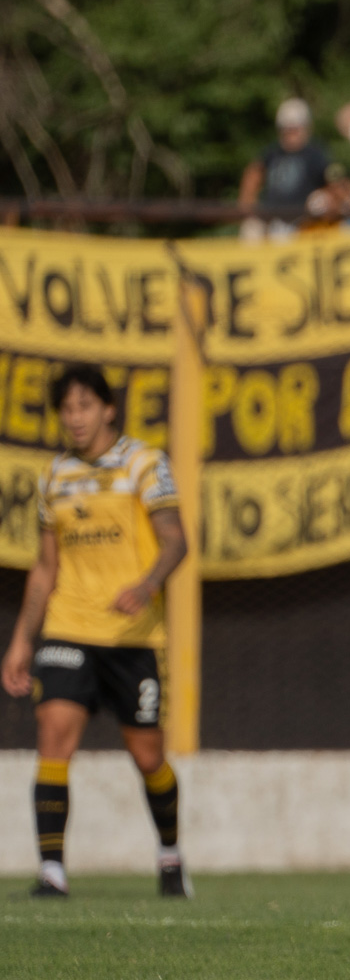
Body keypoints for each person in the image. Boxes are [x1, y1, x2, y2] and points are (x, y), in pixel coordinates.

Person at [2, 365, 191, 899]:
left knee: (147, 755)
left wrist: (148, 582)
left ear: (108, 408)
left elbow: (176, 540)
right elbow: (44, 567)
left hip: (132, 636)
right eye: (67, 409)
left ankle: (171, 855)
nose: (75, 418)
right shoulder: (55, 476)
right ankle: (52, 871)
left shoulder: (145, 464)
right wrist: (21, 640)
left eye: (85, 406)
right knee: (53, 738)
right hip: (69, 628)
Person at [238, 97, 332, 242]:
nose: (291, 134)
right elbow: (253, 173)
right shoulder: (273, 152)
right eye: (287, 129)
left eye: (294, 129)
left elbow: (332, 184)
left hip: (302, 223)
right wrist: (249, 206)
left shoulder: (315, 154)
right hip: (270, 219)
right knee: (251, 230)